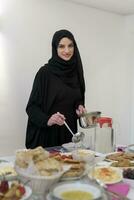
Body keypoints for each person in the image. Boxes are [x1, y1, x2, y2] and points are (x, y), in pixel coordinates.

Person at [25, 29, 86, 149]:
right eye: (61, 46)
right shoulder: (45, 73)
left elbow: (76, 98)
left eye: (70, 46)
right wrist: (48, 119)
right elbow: (31, 107)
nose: (67, 50)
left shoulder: (76, 72)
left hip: (69, 136)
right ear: (55, 48)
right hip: (47, 135)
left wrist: (79, 107)